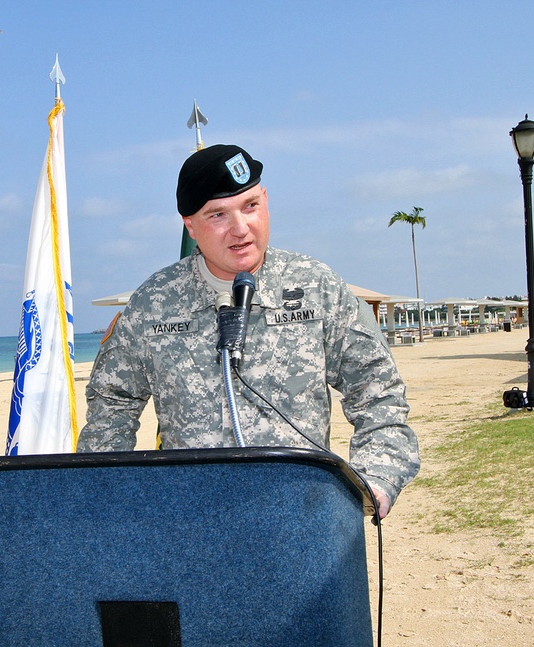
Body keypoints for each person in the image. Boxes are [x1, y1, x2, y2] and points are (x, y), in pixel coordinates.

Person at [77, 144, 419, 519]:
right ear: (190, 224)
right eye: (218, 215)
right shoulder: (153, 303)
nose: (241, 229)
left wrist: (376, 477)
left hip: (302, 515)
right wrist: (107, 493)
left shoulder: (317, 288)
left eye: (250, 206)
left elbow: (377, 389)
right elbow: (112, 399)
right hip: (192, 520)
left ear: (266, 200)